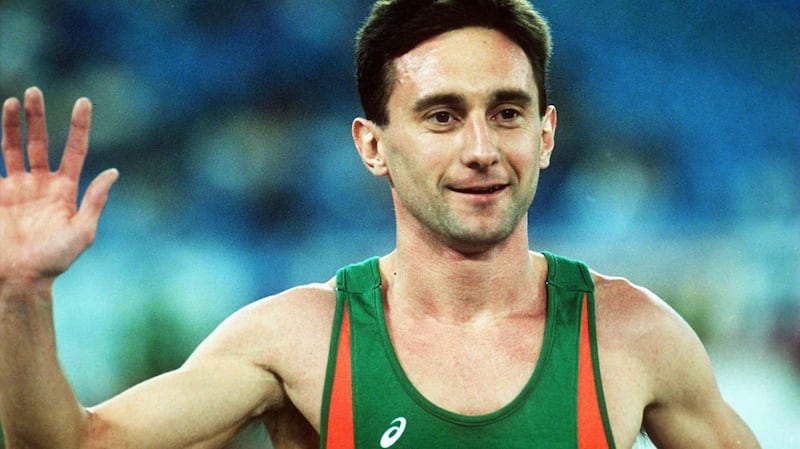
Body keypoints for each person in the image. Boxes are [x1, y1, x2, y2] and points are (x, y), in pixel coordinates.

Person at [0, 1, 761, 448]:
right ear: (373, 146)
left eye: (507, 112)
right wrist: (20, 293)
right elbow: (71, 443)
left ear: (548, 134)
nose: (481, 149)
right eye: (441, 116)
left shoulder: (633, 335)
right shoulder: (297, 340)